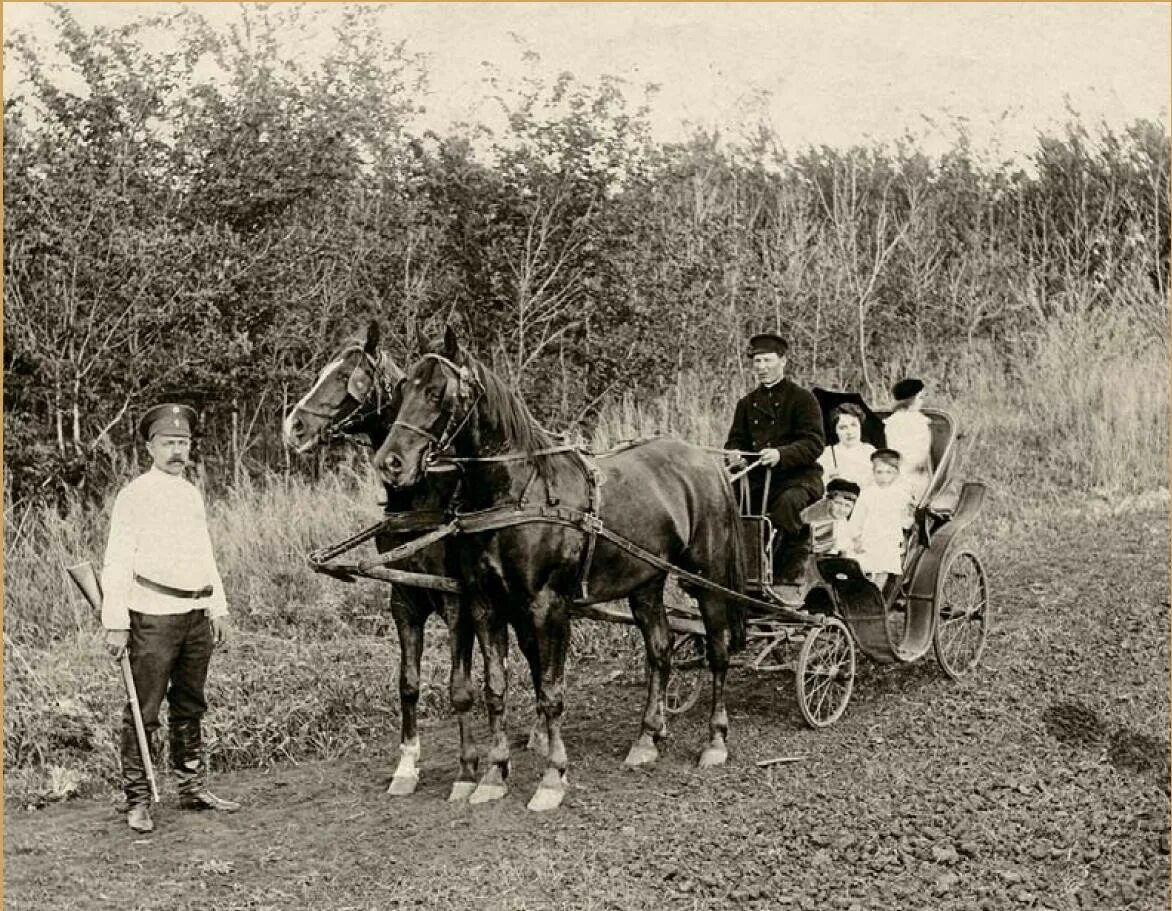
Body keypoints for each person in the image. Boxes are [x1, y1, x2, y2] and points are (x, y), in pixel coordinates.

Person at [102, 403, 240, 833]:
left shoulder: (191, 493)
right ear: (150, 447)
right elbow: (117, 560)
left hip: (195, 616)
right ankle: (138, 800)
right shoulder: (134, 495)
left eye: (183, 443)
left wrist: (218, 609)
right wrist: (116, 621)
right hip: (153, 618)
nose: (177, 451)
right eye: (168, 444)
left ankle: (192, 786)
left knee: (190, 704)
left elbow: (205, 555)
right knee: (143, 711)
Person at [724, 332, 825, 596]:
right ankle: (732, 571)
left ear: (783, 361)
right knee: (723, 503)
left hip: (799, 479)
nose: (762, 367)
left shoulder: (803, 399)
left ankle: (783, 575)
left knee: (786, 506)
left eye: (768, 360)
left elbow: (814, 443)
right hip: (757, 481)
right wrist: (734, 455)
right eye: (757, 362)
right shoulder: (746, 404)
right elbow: (735, 440)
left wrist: (781, 454)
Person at [847, 448, 916, 589]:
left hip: (889, 541)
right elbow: (857, 519)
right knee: (860, 565)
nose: (884, 477)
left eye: (889, 472)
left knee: (883, 566)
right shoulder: (867, 494)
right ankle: (860, 594)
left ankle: (875, 596)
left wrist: (909, 516)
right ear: (873, 473)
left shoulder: (901, 496)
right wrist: (856, 538)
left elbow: (906, 522)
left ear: (896, 474)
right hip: (868, 539)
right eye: (879, 472)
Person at [883, 378, 933, 499]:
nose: (922, 402)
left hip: (908, 470)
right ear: (911, 400)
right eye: (920, 398)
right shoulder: (914, 422)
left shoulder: (895, 421)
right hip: (908, 472)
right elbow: (919, 453)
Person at [816, 403, 876, 489]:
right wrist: (827, 480)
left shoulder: (870, 452)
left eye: (853, 425)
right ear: (835, 430)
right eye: (843, 427)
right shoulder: (827, 454)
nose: (849, 432)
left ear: (860, 426)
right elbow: (817, 486)